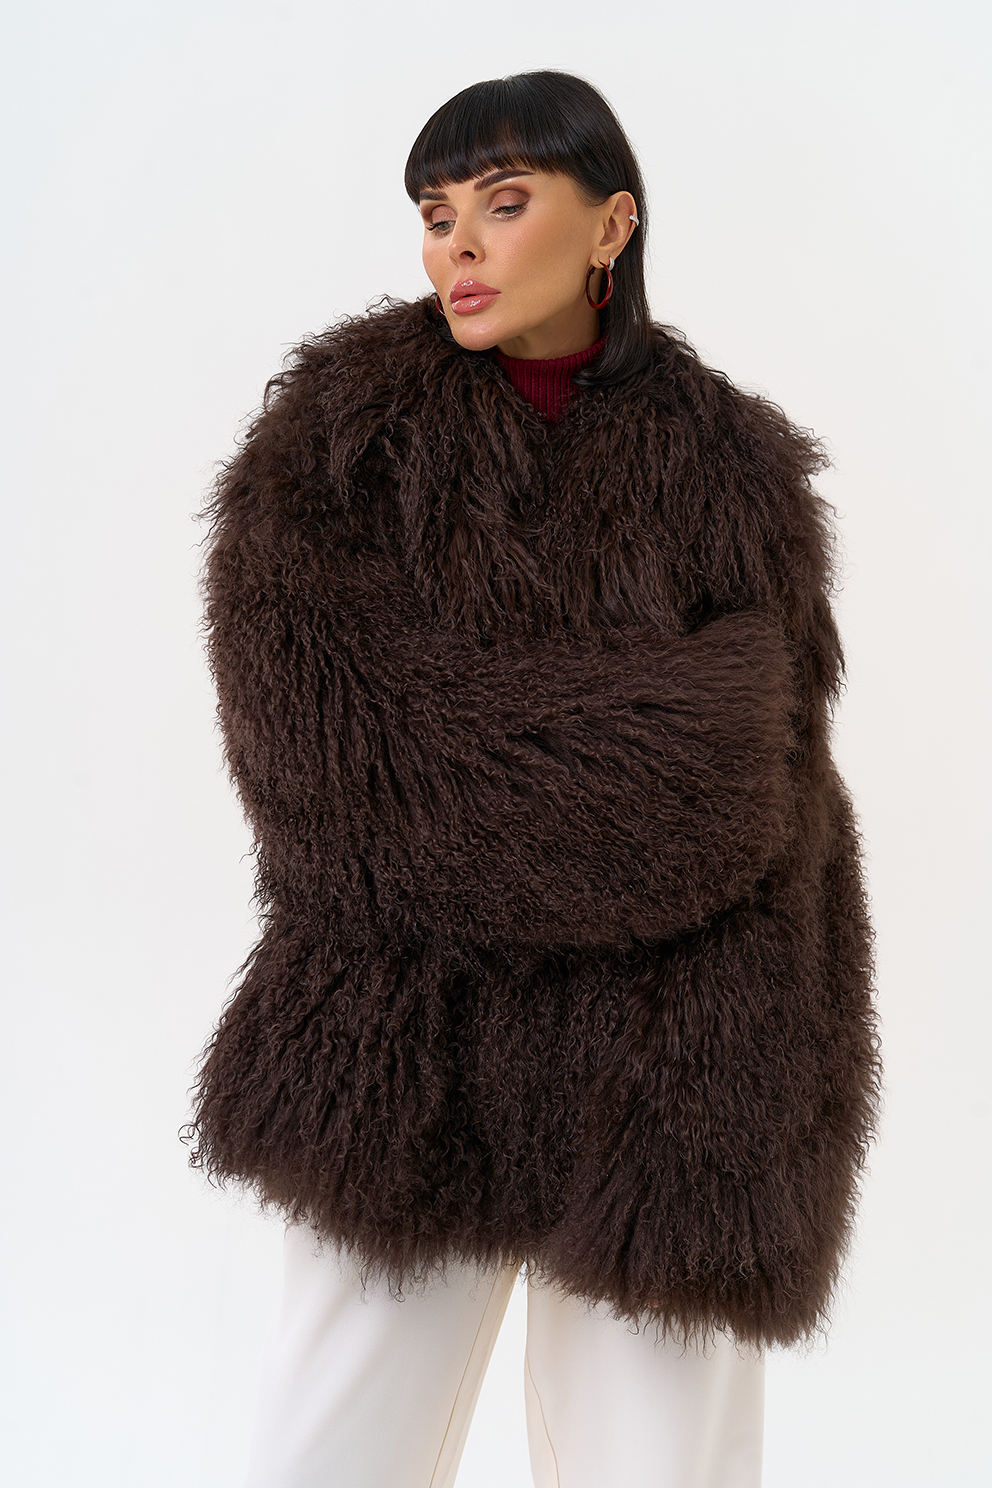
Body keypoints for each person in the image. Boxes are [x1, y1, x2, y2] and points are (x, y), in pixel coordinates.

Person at [184, 70, 881, 1488]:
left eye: (504, 204)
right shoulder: (339, 439)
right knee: (330, 1451)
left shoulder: (736, 472)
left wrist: (502, 771)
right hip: (405, 1034)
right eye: (436, 213)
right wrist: (652, 759)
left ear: (612, 225)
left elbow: (768, 788)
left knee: (661, 1464)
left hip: (676, 1056)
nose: (459, 245)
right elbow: (330, 757)